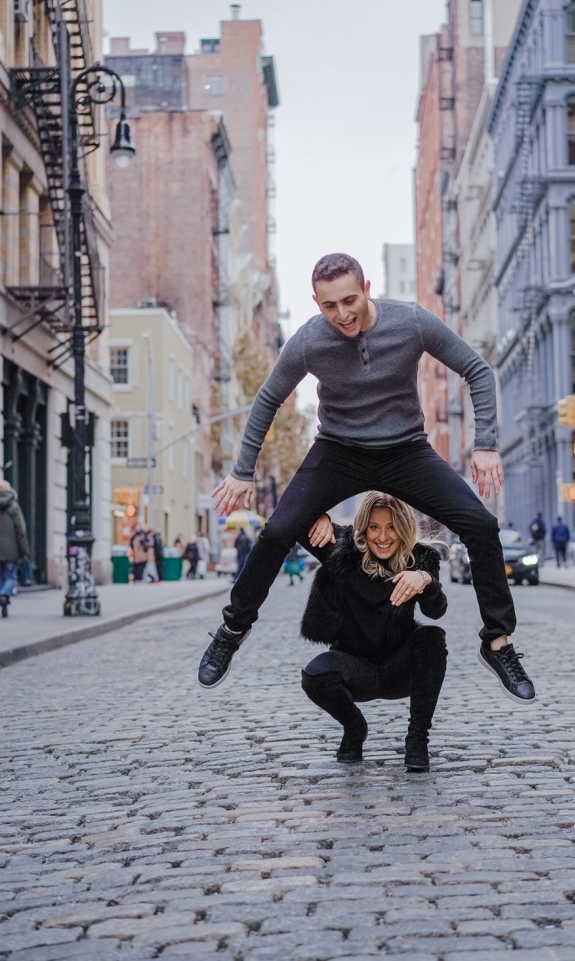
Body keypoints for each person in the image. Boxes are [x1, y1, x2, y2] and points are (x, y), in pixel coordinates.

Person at [199, 252, 535, 706]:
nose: (343, 314)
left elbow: (477, 369)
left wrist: (486, 443)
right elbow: (267, 399)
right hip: (339, 450)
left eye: (350, 300)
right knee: (278, 529)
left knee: (480, 525)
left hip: (406, 450)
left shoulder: (411, 323)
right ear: (316, 303)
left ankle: (498, 643)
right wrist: (243, 471)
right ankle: (232, 629)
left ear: (368, 288)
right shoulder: (308, 341)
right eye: (329, 305)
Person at [300, 493, 448, 772]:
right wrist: (320, 515)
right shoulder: (342, 550)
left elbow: (436, 611)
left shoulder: (421, 557)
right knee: (314, 676)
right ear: (363, 528)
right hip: (355, 669)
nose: (383, 536)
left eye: (392, 526)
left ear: (404, 527)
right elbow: (293, 520)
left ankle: (417, 739)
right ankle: (355, 728)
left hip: (399, 669)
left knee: (432, 637)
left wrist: (425, 580)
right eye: (374, 527)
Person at [0, 480, 30, 617]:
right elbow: (21, 531)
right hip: (11, 549)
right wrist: (25, 551)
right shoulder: (14, 507)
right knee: (11, 575)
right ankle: (5, 595)